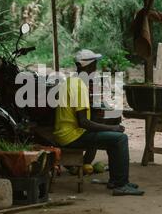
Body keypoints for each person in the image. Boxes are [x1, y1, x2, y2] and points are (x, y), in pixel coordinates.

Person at [53, 49, 144, 196]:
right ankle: (120, 184)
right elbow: (83, 122)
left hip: (66, 133)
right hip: (72, 136)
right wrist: (112, 128)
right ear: (88, 67)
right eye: (94, 65)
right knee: (120, 139)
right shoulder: (79, 86)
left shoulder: (70, 81)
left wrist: (107, 126)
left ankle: (117, 180)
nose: (95, 69)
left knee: (113, 140)